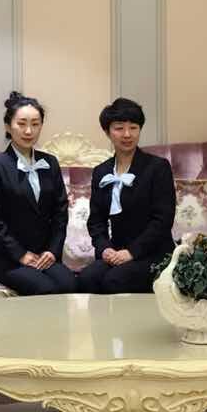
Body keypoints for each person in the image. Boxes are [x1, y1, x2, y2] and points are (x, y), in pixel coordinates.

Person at [0, 91, 76, 295]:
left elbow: (60, 212)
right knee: (45, 289)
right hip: (10, 259)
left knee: (70, 284)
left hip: (45, 256)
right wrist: (20, 254)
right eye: (21, 123)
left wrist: (53, 251)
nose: (28, 130)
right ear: (8, 126)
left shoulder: (50, 162)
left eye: (35, 124)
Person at [77, 98, 175, 294]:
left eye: (133, 128)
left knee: (114, 280)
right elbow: (96, 221)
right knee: (87, 278)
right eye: (119, 128)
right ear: (107, 132)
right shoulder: (101, 171)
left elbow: (162, 220)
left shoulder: (157, 167)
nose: (127, 134)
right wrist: (105, 249)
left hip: (153, 252)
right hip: (117, 251)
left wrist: (132, 252)